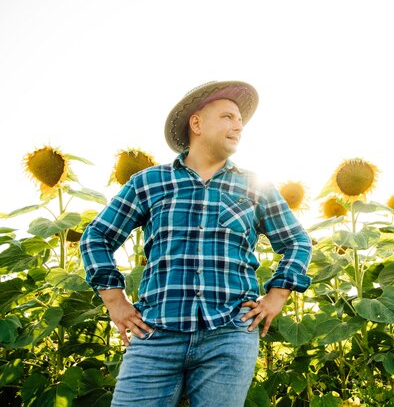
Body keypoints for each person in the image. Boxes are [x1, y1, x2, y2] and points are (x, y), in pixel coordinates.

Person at [80, 80, 312, 407]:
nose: (238, 126)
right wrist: (115, 301)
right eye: (228, 117)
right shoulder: (150, 182)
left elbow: (297, 242)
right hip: (155, 334)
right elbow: (97, 237)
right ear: (197, 123)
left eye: (240, 121)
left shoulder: (256, 186)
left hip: (229, 335)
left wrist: (278, 295)